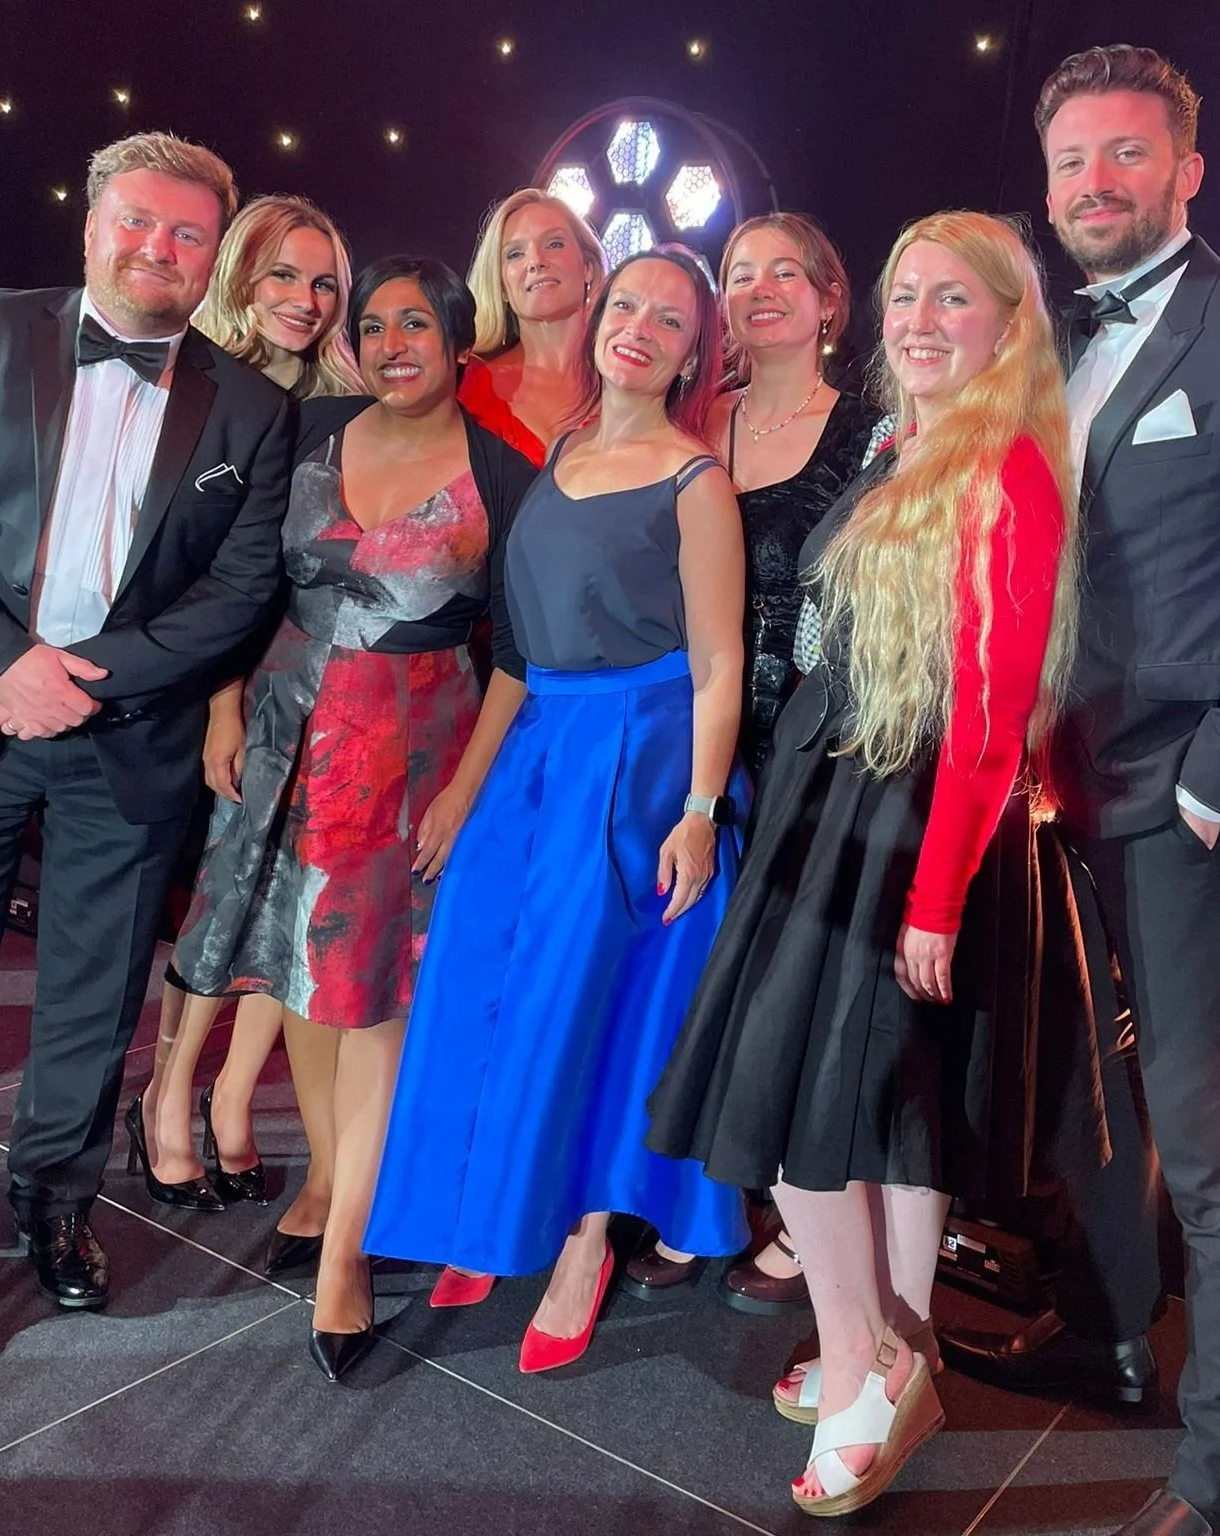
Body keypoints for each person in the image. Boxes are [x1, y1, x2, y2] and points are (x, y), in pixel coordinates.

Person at [935, 46, 1220, 1536]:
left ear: (1189, 171)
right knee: (1090, 1108)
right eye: (1071, 161)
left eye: (1126, 153)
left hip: (1189, 807)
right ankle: (1112, 1334)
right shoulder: (1043, 347)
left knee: (1214, 1137)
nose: (1095, 183)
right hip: (1056, 798)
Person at [648, 210, 1078, 1518]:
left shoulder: (1008, 468)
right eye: (908, 295)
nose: (922, 320)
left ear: (1009, 323)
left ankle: (861, 1364)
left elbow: (992, 721)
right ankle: (899, 1347)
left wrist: (937, 897)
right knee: (879, 1107)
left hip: (899, 815)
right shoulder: (905, 443)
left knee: (796, 1104)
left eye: (954, 298)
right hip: (832, 794)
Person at [0, 132, 291, 1353]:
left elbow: (240, 591)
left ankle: (57, 1206)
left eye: (188, 233)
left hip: (124, 735)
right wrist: (5, 666)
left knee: (94, 1004)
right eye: (138, 221)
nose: (159, 247)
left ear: (214, 256)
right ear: (92, 223)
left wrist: (79, 683)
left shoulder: (254, 408)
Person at [365, 247, 751, 1371]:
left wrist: (698, 809)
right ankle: (494, 1211)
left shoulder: (696, 481)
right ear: (597, 316)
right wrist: (469, 785)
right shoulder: (565, 451)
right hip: (537, 748)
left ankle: (582, 1246)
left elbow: (720, 661)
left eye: (668, 319)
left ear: (692, 352)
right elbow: (522, 651)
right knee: (482, 984)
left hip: (636, 758)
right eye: (626, 304)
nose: (639, 327)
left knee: (585, 1007)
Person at [167, 256, 536, 1380]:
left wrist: (465, 789)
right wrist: (223, 706)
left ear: (459, 341)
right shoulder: (310, 429)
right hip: (283, 732)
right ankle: (331, 1181)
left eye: (416, 324)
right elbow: (243, 581)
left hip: (414, 749)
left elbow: (519, 657)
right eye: (373, 327)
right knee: (300, 981)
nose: (391, 345)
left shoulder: (504, 472)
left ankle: (347, 1257)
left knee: (372, 1000)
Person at [624, 213, 877, 1310]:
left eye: (787, 273)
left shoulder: (873, 429)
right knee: (688, 966)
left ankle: (799, 1203)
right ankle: (701, 1198)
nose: (761, 288)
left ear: (829, 299)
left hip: (811, 742)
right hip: (682, 731)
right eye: (740, 273)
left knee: (787, 978)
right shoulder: (690, 419)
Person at [130, 193, 360, 1214]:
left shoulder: (344, 397)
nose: (305, 299)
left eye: (324, 283)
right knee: (224, 895)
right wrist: (224, 706)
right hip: (217, 676)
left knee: (282, 903)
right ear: (240, 275)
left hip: (317, 682)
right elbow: (207, 571)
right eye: (285, 276)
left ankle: (228, 1099)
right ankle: (165, 1095)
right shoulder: (197, 381)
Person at [460, 186, 606, 462]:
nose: (536, 261)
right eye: (515, 254)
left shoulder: (626, 377)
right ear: (501, 285)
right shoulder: (466, 386)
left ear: (588, 267)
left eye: (554, 244)